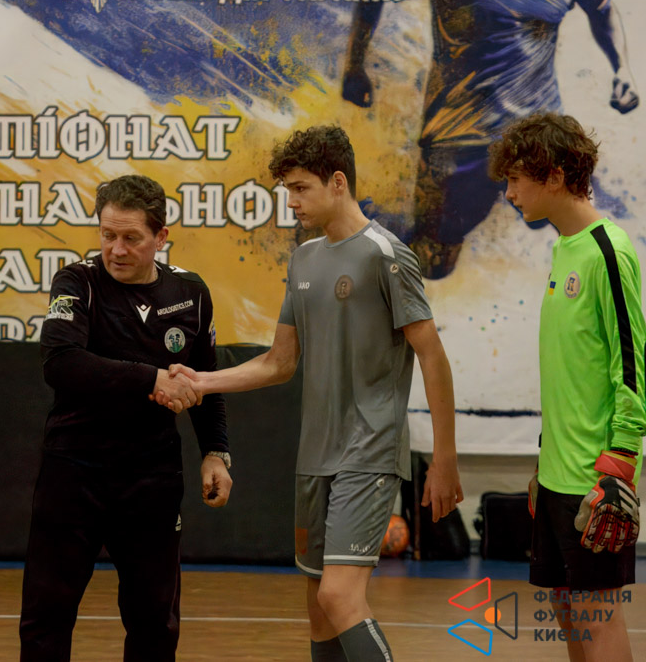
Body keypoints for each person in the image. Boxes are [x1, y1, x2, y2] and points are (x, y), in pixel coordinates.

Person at [165, 126, 463, 661]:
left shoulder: (385, 255)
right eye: (288, 190)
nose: (292, 202)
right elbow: (279, 363)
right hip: (315, 457)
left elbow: (433, 357)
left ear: (338, 182)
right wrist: (202, 381)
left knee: (339, 595)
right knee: (319, 609)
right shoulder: (303, 259)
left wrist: (444, 460)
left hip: (369, 452)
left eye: (301, 188)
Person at [19, 174, 233, 661]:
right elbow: (61, 363)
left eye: (131, 237)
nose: (116, 249)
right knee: (47, 615)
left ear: (161, 236)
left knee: (154, 620)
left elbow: (205, 381)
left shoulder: (191, 292)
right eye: (107, 235)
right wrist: (151, 378)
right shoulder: (77, 282)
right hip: (74, 471)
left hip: (152, 477)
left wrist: (216, 452)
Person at [343, 0, 639, 278]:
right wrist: (354, 65)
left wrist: (622, 68)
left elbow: (601, 6)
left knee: (590, 246)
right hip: (459, 137)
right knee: (432, 263)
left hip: (539, 140)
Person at [489, 113, 642, 662]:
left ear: (553, 176)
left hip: (593, 480)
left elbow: (631, 369)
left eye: (515, 180)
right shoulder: (564, 248)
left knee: (597, 620)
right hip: (556, 477)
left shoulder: (609, 251)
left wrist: (620, 468)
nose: (509, 193)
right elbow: (572, 374)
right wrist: (542, 466)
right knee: (568, 613)